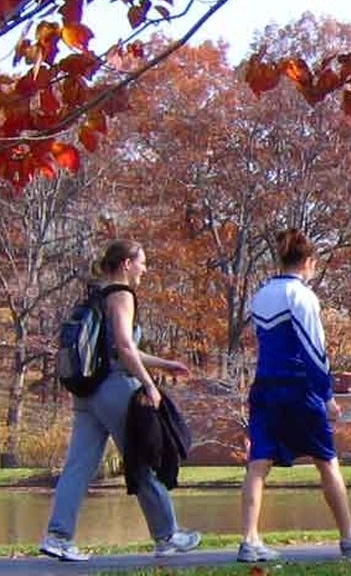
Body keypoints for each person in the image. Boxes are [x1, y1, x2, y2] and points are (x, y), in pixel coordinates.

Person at [40, 240, 201, 562]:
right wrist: (148, 385)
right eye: (142, 262)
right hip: (115, 389)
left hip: (88, 392)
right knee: (143, 459)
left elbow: (117, 348)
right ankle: (167, 536)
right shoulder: (123, 295)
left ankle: (58, 537)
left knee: (78, 466)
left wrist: (164, 365)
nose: (144, 269)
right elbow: (125, 350)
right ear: (126, 263)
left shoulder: (97, 296)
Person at [238, 228, 351, 562]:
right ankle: (349, 536)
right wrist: (327, 395)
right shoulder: (302, 297)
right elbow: (314, 351)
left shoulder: (261, 295)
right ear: (308, 262)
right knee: (326, 461)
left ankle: (249, 539)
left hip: (264, 388)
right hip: (298, 390)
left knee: (258, 463)